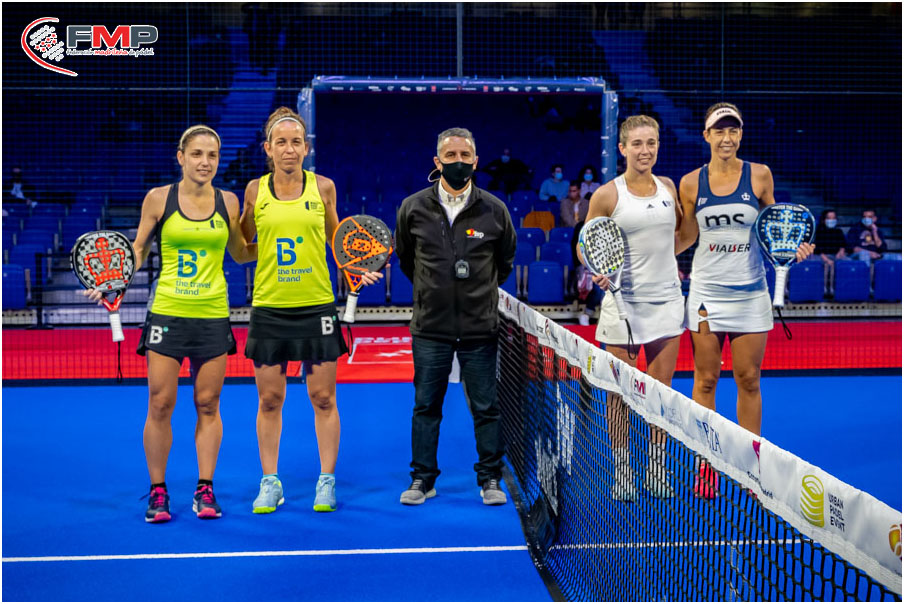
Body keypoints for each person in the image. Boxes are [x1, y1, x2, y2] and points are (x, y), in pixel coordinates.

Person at [85, 125, 257, 522]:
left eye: (212, 155)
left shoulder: (229, 202)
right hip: (167, 312)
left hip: (212, 314)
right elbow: (139, 249)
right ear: (181, 157)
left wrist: (282, 244)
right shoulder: (159, 198)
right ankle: (158, 490)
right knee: (160, 403)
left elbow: (240, 253)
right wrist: (113, 278)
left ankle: (205, 488)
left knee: (208, 403)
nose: (205, 162)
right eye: (197, 154)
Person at [239, 107, 381, 515]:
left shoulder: (324, 188)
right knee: (270, 399)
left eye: (296, 142)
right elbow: (244, 241)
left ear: (306, 148)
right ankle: (270, 482)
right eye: (281, 142)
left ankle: (326, 480)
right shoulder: (255, 190)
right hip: (270, 307)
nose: (289, 149)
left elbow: (339, 240)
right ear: (268, 148)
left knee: (322, 397)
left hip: (316, 305)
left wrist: (356, 266)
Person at [676, 103, 813, 497]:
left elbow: (778, 227)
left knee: (749, 379)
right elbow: (687, 236)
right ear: (706, 136)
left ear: (740, 134)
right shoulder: (690, 183)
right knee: (705, 379)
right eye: (719, 131)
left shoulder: (760, 175)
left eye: (733, 130)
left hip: (751, 294)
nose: (727, 138)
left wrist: (795, 247)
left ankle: (752, 466)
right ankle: (707, 463)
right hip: (706, 296)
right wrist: (653, 257)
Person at [395, 127, 517, 506]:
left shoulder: (495, 210)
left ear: (476, 162)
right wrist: (435, 290)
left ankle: (490, 478)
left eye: (465, 156)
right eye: (451, 156)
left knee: (486, 408)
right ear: (438, 161)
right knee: (426, 406)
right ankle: (423, 479)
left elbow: (504, 263)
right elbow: (407, 260)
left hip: (480, 329)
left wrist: (473, 295)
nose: (458, 162)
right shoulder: (412, 208)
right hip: (430, 328)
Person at [579, 115, 684, 501]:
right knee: (618, 393)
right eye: (637, 144)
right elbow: (585, 243)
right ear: (622, 148)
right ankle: (622, 470)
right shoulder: (608, 195)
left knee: (660, 392)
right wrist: (596, 269)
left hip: (667, 303)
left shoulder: (669, 187)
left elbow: (678, 234)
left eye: (651, 143)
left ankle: (656, 466)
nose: (645, 150)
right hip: (622, 306)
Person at [813, 209, 847, 295]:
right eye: (829, 218)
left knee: (846, 261)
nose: (831, 220)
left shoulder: (839, 231)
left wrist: (841, 251)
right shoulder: (819, 232)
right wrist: (827, 260)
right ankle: (826, 288)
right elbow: (818, 249)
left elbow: (843, 246)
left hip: (835, 255)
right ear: (824, 220)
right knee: (828, 265)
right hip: (821, 256)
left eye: (833, 218)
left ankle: (839, 288)